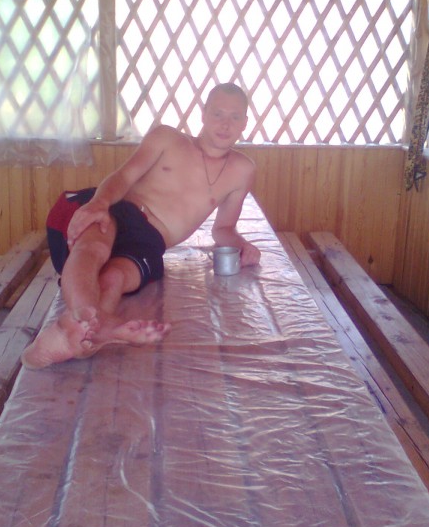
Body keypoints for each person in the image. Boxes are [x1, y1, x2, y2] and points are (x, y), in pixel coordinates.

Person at [21, 83, 261, 369]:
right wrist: (99, 204)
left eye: (235, 117)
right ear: (203, 114)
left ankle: (80, 338)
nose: (225, 124)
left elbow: (223, 229)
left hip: (150, 240)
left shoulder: (242, 170)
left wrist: (243, 245)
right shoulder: (168, 138)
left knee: (115, 279)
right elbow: (123, 176)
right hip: (119, 208)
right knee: (93, 248)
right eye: (218, 113)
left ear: (245, 123)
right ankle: (88, 323)